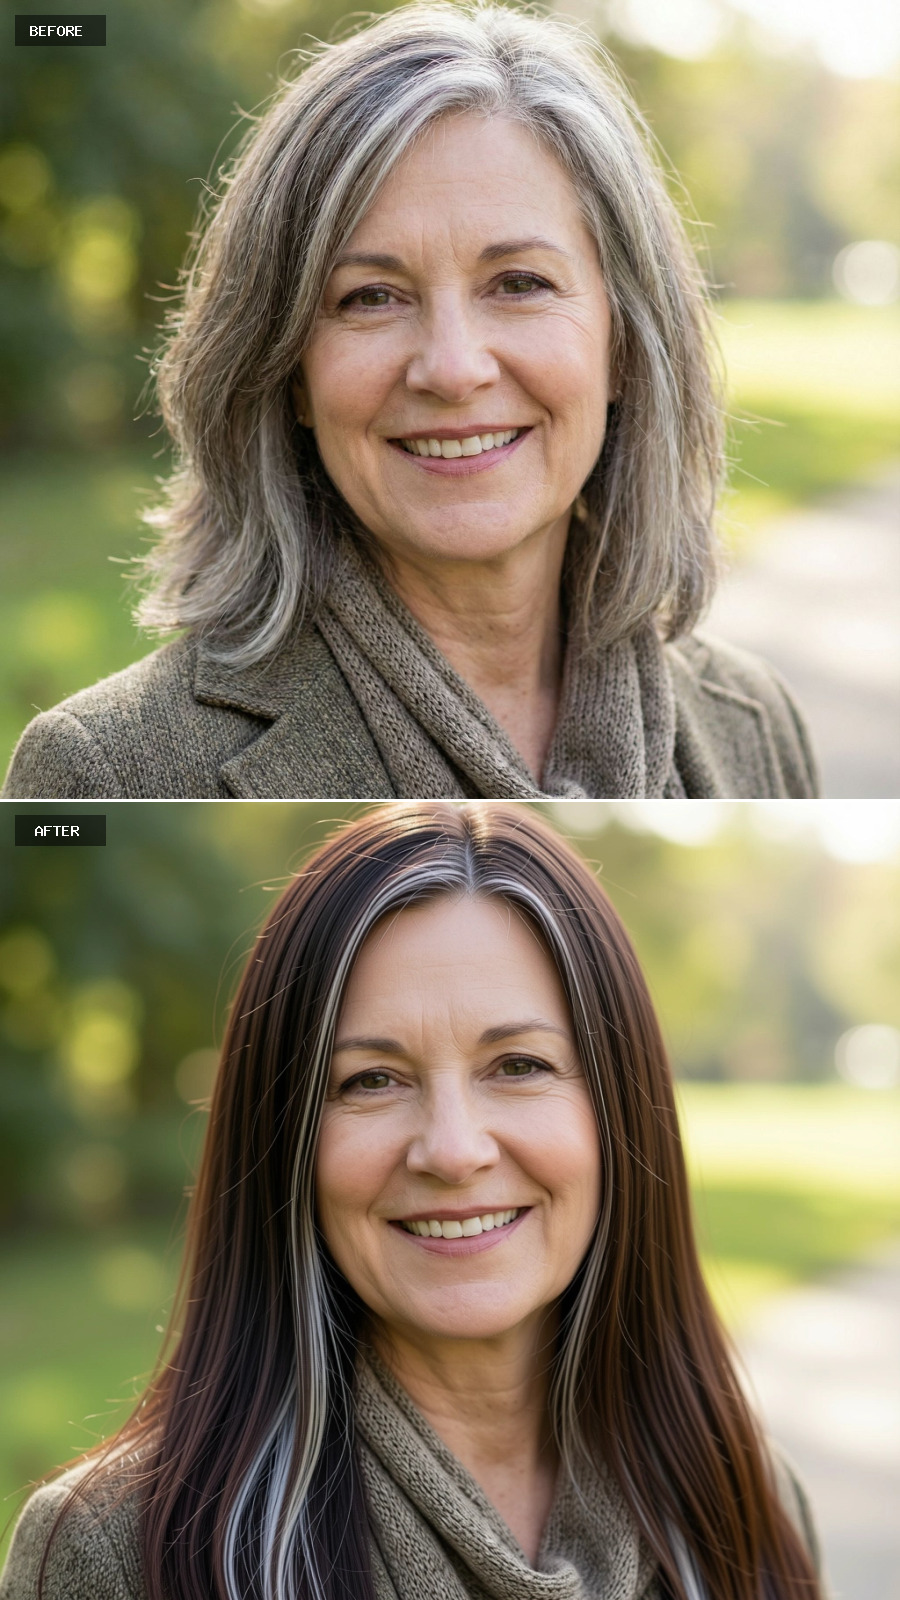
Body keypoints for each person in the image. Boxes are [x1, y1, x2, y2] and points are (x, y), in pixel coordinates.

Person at [0, 803, 825, 1600]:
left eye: (519, 1065)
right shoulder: (114, 1554)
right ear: (283, 1139)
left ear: (619, 1107)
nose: (454, 1150)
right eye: (372, 1080)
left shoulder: (746, 1503)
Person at [3, 5, 817, 802]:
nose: (453, 368)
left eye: (520, 284)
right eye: (371, 298)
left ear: (626, 346)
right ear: (288, 373)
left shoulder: (754, 722)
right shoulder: (106, 771)